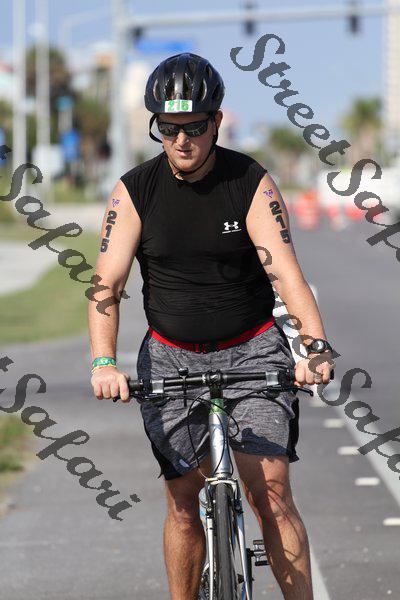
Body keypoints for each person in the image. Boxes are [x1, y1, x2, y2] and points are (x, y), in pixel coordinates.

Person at [89, 52, 335, 600]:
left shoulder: (250, 183)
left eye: (194, 128)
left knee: (272, 495)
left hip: (252, 349)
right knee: (182, 503)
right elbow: (107, 284)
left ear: (217, 121)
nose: (181, 141)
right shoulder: (134, 190)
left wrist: (315, 347)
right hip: (170, 354)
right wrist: (104, 361)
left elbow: (286, 275)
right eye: (168, 128)